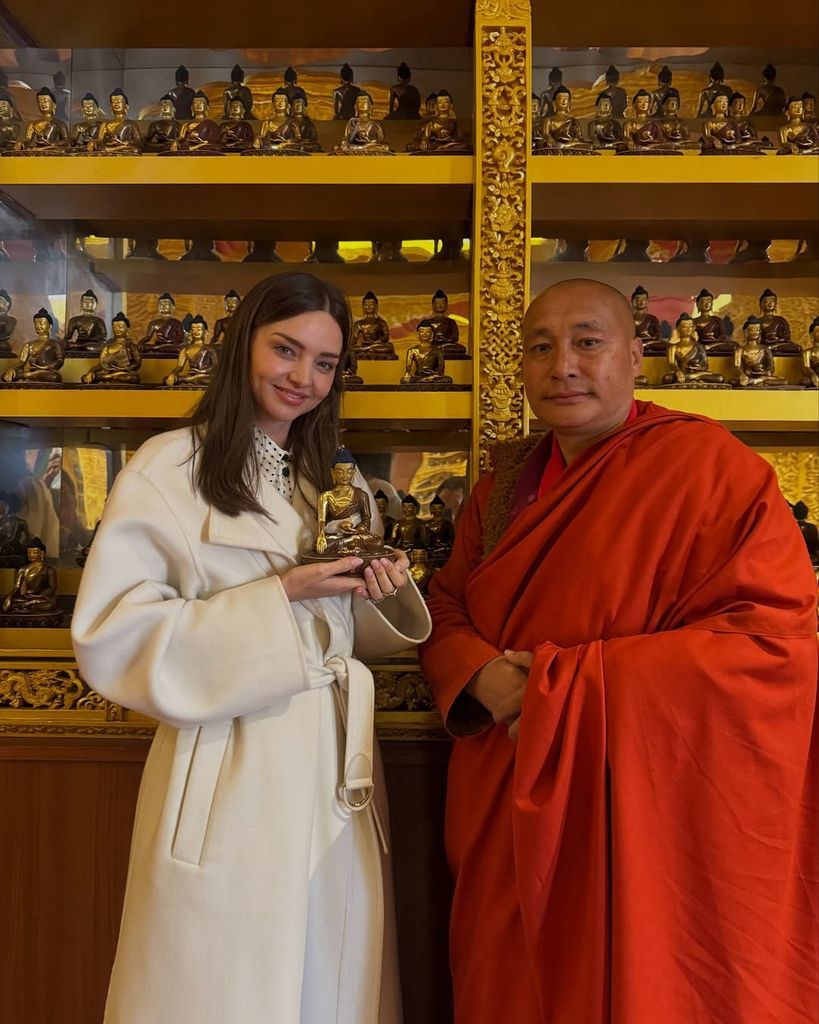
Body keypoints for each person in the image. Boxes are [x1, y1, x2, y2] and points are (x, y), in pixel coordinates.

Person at [419, 278, 817, 1024]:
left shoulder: (711, 469)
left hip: (645, 803)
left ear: (637, 356)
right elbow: (445, 605)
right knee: (510, 987)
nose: (561, 365)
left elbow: (771, 641)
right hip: (510, 785)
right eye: (540, 347)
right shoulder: (501, 486)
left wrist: (561, 687)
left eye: (587, 343)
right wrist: (479, 677)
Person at [71, 271, 432, 1024]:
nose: (304, 378)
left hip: (333, 766)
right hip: (230, 765)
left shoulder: (335, 484)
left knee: (329, 974)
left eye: (325, 363)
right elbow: (113, 635)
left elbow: (338, 643)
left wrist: (380, 591)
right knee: (225, 983)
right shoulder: (168, 469)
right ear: (245, 346)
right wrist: (283, 595)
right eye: (286, 349)